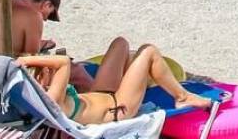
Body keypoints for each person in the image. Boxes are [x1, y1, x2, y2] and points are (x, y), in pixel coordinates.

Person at [19, 38, 210, 124]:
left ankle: (137, 81)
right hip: (119, 107)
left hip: (101, 93)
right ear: (38, 80)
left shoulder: (41, 93)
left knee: (120, 43)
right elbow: (63, 62)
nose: (49, 71)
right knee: (149, 51)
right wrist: (25, 61)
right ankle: (182, 97)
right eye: (45, 71)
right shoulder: (51, 98)